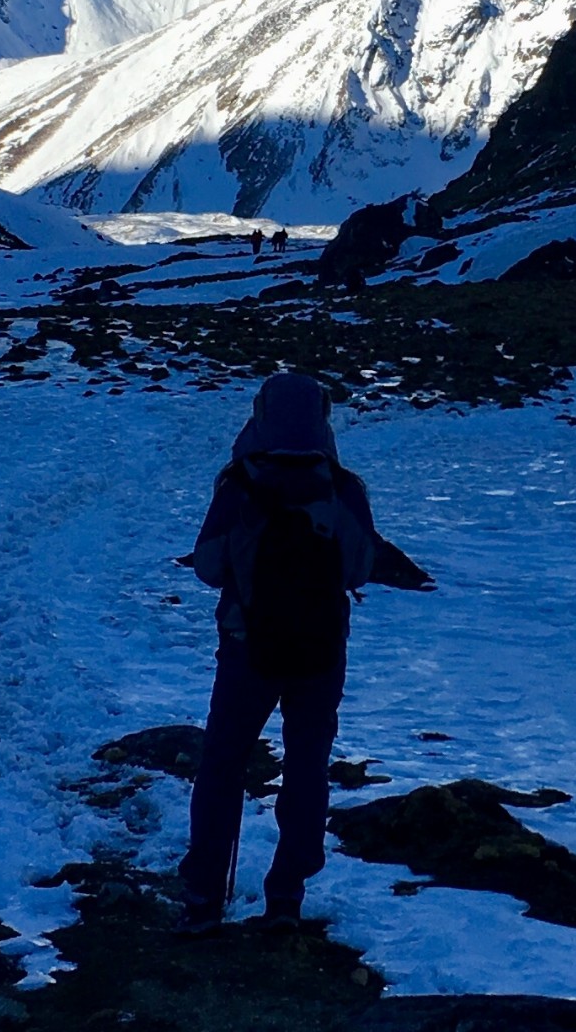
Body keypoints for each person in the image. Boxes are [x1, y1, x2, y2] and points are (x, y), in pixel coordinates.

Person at [177, 372, 379, 932]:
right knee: (307, 765)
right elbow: (361, 566)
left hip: (247, 649)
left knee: (222, 764)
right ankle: (286, 894)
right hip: (321, 651)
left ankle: (202, 895)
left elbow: (208, 566)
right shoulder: (341, 487)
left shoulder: (240, 484)